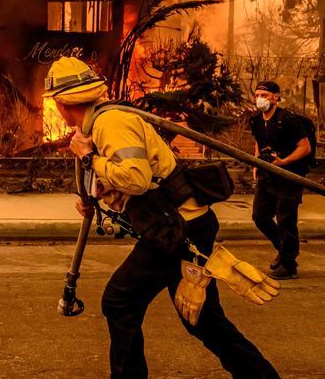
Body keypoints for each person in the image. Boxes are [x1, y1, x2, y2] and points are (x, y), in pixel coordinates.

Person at [44, 57, 279, 379]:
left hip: (177, 229)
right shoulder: (100, 123)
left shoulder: (109, 123)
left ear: (60, 102)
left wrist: (87, 157)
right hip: (183, 224)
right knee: (201, 319)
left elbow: (136, 179)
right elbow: (128, 177)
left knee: (119, 301)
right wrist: (93, 197)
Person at [250, 80, 311, 279]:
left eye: (265, 95)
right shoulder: (257, 119)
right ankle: (284, 251)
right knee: (260, 217)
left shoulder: (289, 119)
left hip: (289, 176)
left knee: (286, 220)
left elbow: (305, 147)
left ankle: (288, 264)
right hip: (266, 176)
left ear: (276, 96)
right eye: (257, 95)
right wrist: (255, 164)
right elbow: (259, 144)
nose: (260, 99)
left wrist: (283, 162)